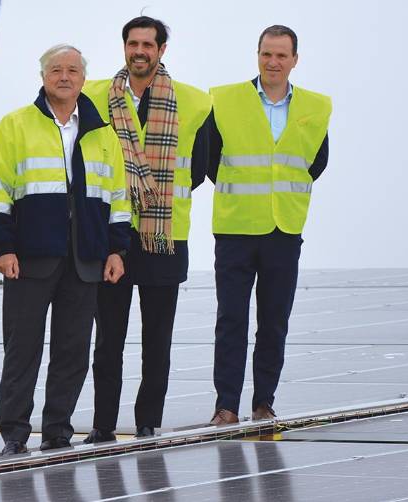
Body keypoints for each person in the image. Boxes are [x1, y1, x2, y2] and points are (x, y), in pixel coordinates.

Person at [0, 44, 131, 456]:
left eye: (72, 70)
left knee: (72, 352)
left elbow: (119, 199)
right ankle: (14, 434)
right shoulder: (15, 126)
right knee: (22, 350)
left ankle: (57, 431)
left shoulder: (103, 135)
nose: (64, 77)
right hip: (30, 259)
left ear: (83, 78)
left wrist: (117, 251)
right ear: (43, 75)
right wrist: (2, 247)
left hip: (86, 260)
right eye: (56, 70)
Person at [81, 16, 211, 442]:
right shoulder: (93, 95)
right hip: (111, 236)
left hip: (165, 236)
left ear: (161, 50)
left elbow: (201, 165)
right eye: (133, 44)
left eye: (148, 45)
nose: (140, 51)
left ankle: (146, 423)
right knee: (108, 341)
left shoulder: (194, 101)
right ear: (124, 48)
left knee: (157, 340)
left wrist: (150, 191)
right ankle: (103, 425)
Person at [205, 25, 331, 425]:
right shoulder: (225, 100)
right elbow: (208, 157)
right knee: (231, 320)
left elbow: (317, 161)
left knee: (274, 320)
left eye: (281, 56)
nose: (273, 62)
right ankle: (226, 405)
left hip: (284, 230)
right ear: (256, 55)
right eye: (266, 54)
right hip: (236, 227)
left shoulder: (316, 106)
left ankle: (264, 402)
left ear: (295, 59)